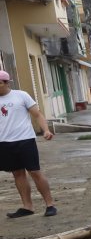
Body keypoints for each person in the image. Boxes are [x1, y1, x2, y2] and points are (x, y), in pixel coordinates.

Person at [0, 70, 57, 217]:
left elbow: (37, 114)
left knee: (34, 172)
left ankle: (50, 204)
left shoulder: (21, 95)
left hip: (25, 140)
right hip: (4, 142)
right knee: (17, 174)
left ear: (6, 82)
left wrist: (46, 130)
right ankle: (28, 207)